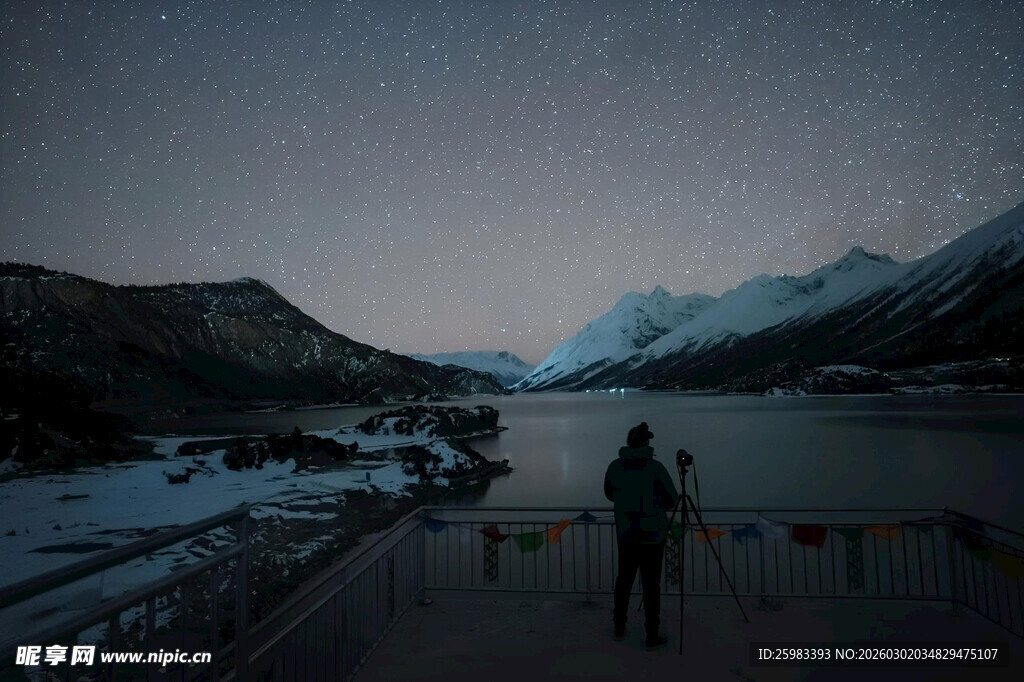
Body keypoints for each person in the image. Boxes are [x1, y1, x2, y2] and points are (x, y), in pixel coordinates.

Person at [603, 421, 679, 649]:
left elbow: (609, 493)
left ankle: (619, 626)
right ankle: (652, 634)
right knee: (651, 585)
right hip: (653, 535)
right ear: (646, 443)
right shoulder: (655, 468)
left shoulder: (615, 467)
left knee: (624, 581)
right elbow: (672, 499)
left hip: (626, 533)